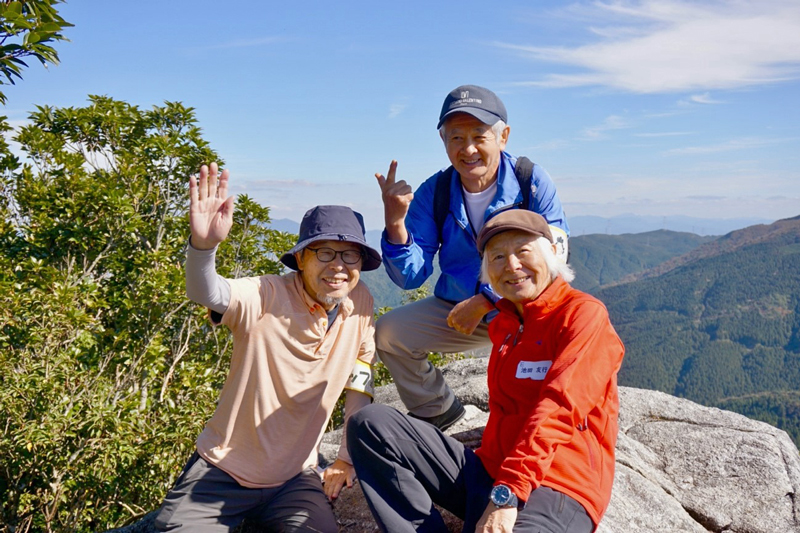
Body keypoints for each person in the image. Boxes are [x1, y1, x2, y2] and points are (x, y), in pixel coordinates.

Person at [347, 210, 624, 533]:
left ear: (551, 255)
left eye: (523, 251)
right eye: (497, 257)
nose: (512, 265)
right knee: (371, 424)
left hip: (558, 483)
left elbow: (559, 408)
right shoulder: (506, 324)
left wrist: (506, 496)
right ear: (486, 272)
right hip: (490, 469)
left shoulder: (582, 316)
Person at [154, 163, 381, 532]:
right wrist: (204, 247)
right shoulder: (266, 294)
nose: (338, 266)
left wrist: (346, 458)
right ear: (302, 258)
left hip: (295, 479)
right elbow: (207, 292)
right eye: (324, 252)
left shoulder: (362, 303)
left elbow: (360, 379)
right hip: (221, 471)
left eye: (349, 254)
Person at [375, 84, 570, 430]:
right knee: (390, 332)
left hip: (524, 311)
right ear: (444, 142)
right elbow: (411, 277)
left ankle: (544, 420)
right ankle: (436, 410)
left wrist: (486, 300)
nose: (468, 149)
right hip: (457, 308)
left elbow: (555, 260)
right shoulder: (435, 192)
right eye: (456, 138)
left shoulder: (531, 183)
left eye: (480, 136)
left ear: (503, 136)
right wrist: (395, 224)